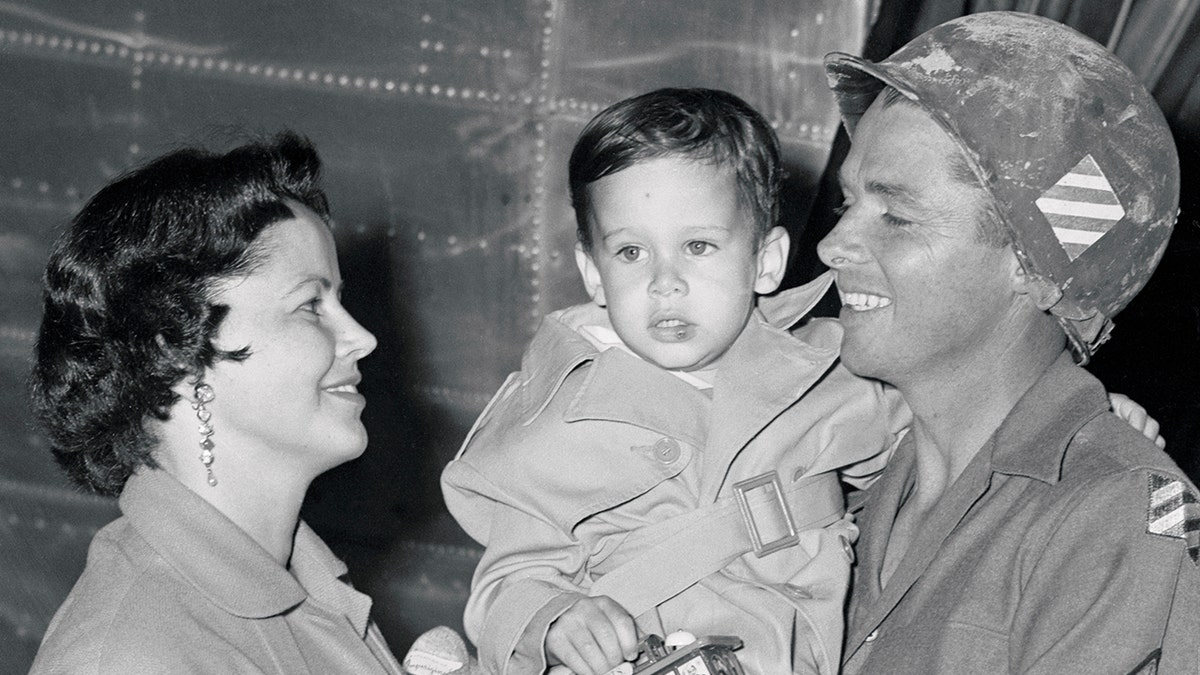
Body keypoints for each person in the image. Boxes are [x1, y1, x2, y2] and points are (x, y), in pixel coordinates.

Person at [441, 88, 908, 675]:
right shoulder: (559, 417)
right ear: (593, 273)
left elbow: (930, 458)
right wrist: (557, 619)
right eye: (632, 252)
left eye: (698, 246)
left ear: (765, 261)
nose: (666, 282)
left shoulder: (830, 373)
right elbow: (506, 583)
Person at [816, 11, 1200, 673]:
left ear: (1036, 266)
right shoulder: (847, 485)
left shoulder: (1133, 519)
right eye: (846, 204)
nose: (831, 246)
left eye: (896, 216)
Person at [28, 133, 403, 673]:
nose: (362, 338)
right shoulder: (132, 658)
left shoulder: (310, 591)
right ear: (177, 348)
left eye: (338, 300)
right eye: (309, 306)